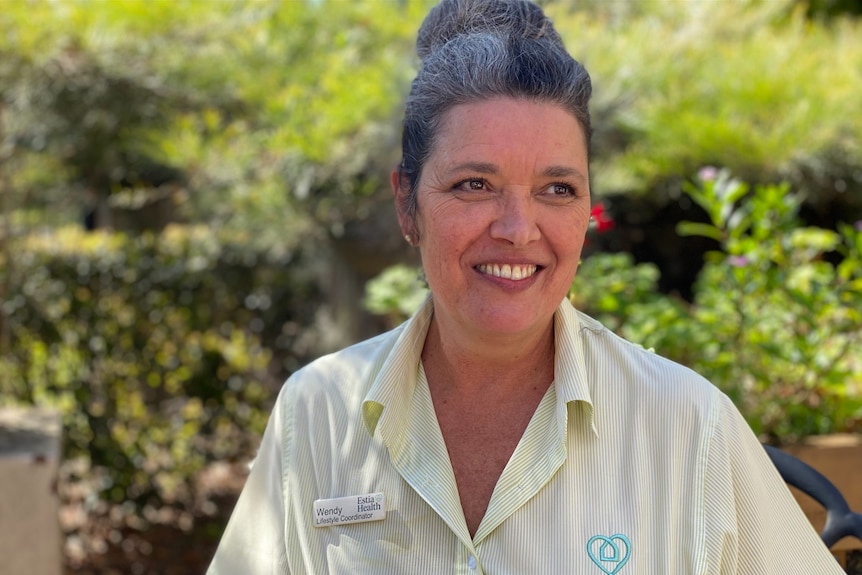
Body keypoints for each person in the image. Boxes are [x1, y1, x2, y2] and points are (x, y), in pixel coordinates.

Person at [207, 1, 845, 573]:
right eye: (473, 185)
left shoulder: (690, 426)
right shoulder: (315, 414)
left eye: (556, 190)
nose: (518, 230)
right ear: (407, 205)